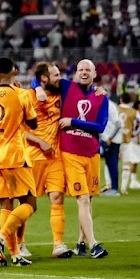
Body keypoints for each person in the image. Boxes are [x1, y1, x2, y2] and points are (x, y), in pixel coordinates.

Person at [0, 58, 39, 267]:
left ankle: (14, 254)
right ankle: (1, 237)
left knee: (6, 204)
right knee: (30, 203)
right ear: (15, 71)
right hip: (16, 157)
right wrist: (24, 99)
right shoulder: (21, 95)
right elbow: (33, 123)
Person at [54, 59, 109, 258]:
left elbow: (100, 127)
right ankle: (94, 244)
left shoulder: (101, 97)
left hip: (92, 154)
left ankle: (80, 243)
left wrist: (72, 121)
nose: (84, 72)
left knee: (88, 199)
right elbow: (39, 79)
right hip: (71, 152)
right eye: (80, 69)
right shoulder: (66, 87)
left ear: (95, 74)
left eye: (88, 70)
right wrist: (39, 89)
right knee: (83, 199)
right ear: (76, 73)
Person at [27, 62, 73, 258]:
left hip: (55, 157)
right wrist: (39, 141)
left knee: (57, 198)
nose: (59, 77)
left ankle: (58, 244)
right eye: (55, 74)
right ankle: (19, 244)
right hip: (32, 156)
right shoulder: (29, 96)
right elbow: (19, 129)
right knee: (27, 203)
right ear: (43, 78)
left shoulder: (61, 93)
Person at [100, 99, 123, 197]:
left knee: (112, 163)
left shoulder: (110, 106)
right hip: (108, 138)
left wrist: (110, 137)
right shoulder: (107, 104)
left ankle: (114, 189)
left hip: (111, 139)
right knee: (109, 163)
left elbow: (118, 124)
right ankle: (112, 187)